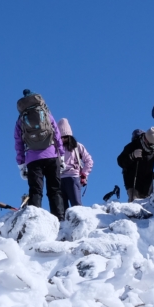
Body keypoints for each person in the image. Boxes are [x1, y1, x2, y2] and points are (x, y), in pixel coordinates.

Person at [14, 89, 65, 217]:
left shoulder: (20, 120)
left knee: (35, 191)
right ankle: (60, 219)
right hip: (52, 155)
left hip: (32, 159)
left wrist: (21, 165)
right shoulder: (47, 114)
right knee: (55, 190)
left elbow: (18, 143)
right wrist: (62, 155)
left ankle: (34, 219)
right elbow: (57, 134)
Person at [57, 118, 94, 209]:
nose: (62, 139)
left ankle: (78, 221)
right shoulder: (55, 148)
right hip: (58, 179)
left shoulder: (77, 146)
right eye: (60, 137)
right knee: (61, 208)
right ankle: (64, 223)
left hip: (73, 178)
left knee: (76, 206)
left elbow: (89, 160)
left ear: (69, 136)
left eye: (65, 137)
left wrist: (84, 173)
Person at [117, 127, 154, 202]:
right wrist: (132, 156)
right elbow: (120, 161)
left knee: (148, 208)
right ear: (146, 141)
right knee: (134, 206)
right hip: (133, 184)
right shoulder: (132, 146)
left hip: (148, 186)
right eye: (153, 146)